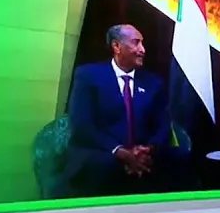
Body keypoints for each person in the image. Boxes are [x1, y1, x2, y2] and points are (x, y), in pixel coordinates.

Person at [65, 24, 183, 196]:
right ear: (116, 46)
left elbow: (163, 124)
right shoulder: (88, 76)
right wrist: (120, 152)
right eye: (136, 43)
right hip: (102, 152)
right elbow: (82, 126)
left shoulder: (153, 82)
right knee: (107, 167)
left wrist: (148, 149)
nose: (142, 49)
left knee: (181, 158)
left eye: (142, 43)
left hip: (144, 154)